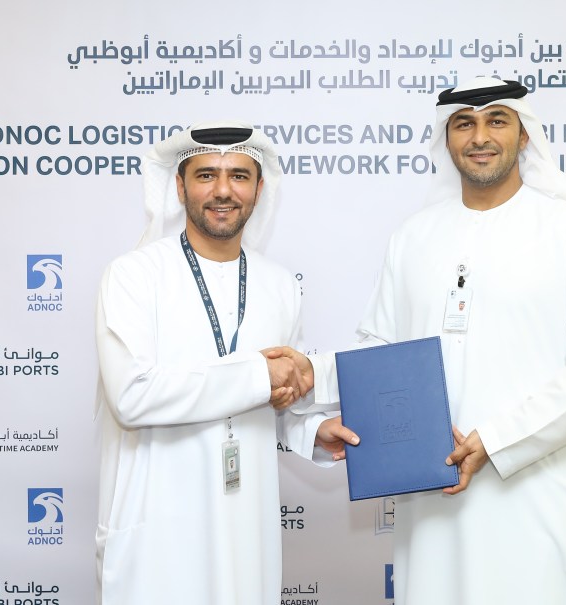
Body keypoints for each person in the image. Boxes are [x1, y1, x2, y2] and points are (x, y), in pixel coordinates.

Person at [304, 77, 566, 603]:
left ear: (524, 135)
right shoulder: (413, 236)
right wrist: (306, 373)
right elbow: (377, 350)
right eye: (464, 124)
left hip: (539, 497)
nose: (480, 137)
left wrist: (498, 439)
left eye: (496, 121)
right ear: (447, 137)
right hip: (436, 496)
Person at [94, 120, 357, 605]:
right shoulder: (133, 276)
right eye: (205, 175)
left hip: (245, 524)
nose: (222, 191)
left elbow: (271, 401)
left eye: (238, 175)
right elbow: (132, 397)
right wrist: (259, 374)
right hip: (159, 527)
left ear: (259, 189)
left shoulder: (279, 284)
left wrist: (310, 432)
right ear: (179, 187)